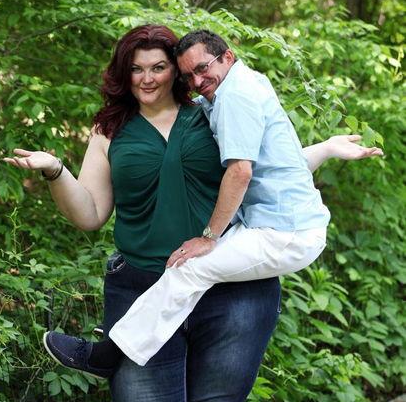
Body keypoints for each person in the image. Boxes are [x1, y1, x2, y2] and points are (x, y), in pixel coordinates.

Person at [4, 25, 381, 402]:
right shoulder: (110, 130)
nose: (148, 78)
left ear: (178, 71)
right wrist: (56, 170)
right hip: (141, 288)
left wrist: (325, 149)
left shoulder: (210, 110)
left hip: (231, 295)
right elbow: (89, 215)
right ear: (123, 73)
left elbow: (261, 169)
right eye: (137, 68)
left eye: (160, 67)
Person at [41, 30, 382, 373]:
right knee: (191, 270)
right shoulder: (244, 87)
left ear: (228, 57)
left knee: (190, 266)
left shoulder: (234, 99)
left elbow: (241, 173)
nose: (197, 81)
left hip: (284, 232)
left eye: (202, 68)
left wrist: (208, 237)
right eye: (188, 75)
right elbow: (278, 168)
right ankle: (129, 335)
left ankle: (106, 356)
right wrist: (327, 148)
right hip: (284, 226)